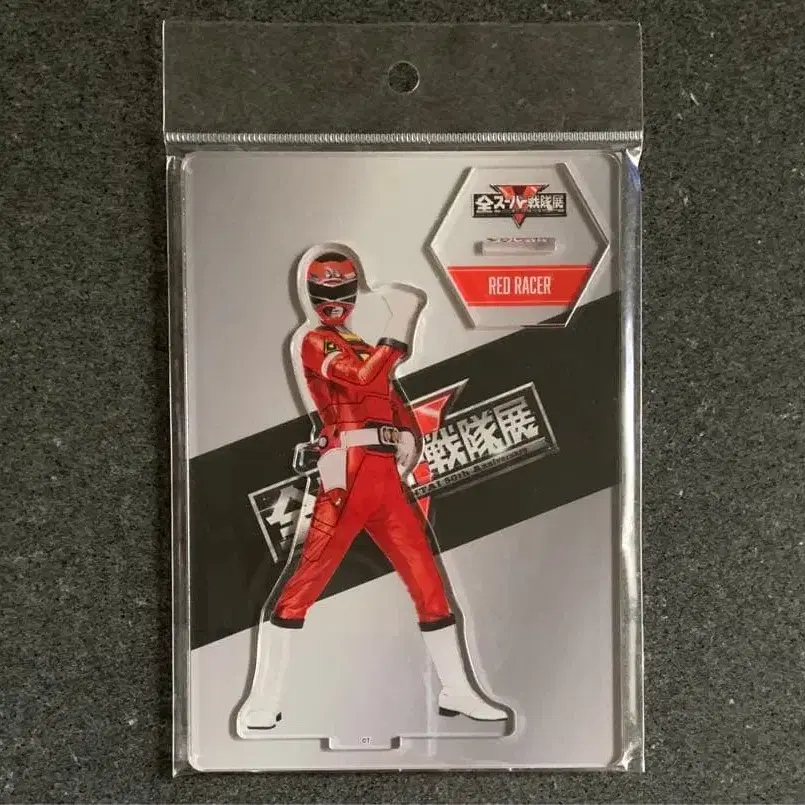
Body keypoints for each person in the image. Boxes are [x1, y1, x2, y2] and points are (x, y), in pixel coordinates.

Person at [237, 249, 507, 735]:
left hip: (382, 475)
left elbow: (387, 397)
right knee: (305, 582)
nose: (333, 301)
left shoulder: (359, 345)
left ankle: (456, 689)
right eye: (323, 292)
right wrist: (400, 327)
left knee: (428, 582)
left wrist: (407, 433)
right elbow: (364, 381)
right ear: (308, 294)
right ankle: (264, 698)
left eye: (342, 291)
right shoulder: (315, 341)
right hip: (346, 472)